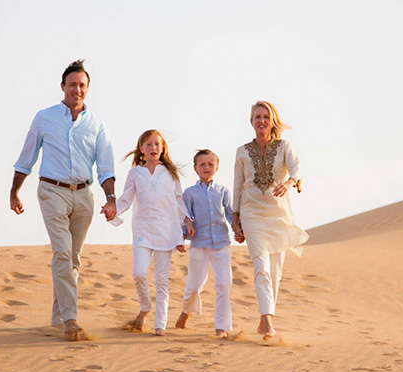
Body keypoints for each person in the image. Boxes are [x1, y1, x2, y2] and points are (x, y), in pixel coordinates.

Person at [10, 59, 117, 341]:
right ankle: (71, 320)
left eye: (82, 85)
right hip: (51, 191)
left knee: (74, 258)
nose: (77, 89)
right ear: (62, 87)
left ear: (87, 89)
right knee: (63, 253)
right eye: (72, 85)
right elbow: (26, 158)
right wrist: (14, 192)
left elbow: (105, 167)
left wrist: (111, 197)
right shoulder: (44, 118)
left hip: (84, 195)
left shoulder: (97, 124)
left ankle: (57, 317)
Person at [232, 100, 308, 339]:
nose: (261, 121)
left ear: (272, 120)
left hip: (278, 214)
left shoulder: (285, 146)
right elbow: (237, 186)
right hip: (251, 213)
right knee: (261, 267)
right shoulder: (242, 151)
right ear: (251, 121)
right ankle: (268, 321)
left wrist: (288, 183)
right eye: (257, 117)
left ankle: (264, 320)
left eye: (265, 116)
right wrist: (236, 218)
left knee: (275, 272)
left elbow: (297, 171)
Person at [109, 130, 193, 336]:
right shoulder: (135, 174)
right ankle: (145, 307)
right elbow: (126, 198)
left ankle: (160, 325)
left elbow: (178, 200)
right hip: (143, 231)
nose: (153, 148)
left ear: (163, 148)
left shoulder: (170, 173)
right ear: (141, 149)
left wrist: (187, 221)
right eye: (149, 145)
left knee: (162, 280)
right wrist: (113, 210)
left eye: (157, 144)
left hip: (167, 231)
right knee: (139, 272)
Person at [174, 149, 235, 338]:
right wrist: (182, 236)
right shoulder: (189, 193)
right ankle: (185, 312)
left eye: (210, 164)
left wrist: (239, 230)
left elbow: (231, 214)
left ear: (216, 167)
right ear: (195, 168)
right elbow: (185, 217)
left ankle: (221, 326)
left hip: (221, 243)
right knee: (194, 284)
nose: (206, 167)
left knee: (224, 283)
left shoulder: (223, 191)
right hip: (199, 243)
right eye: (202, 164)